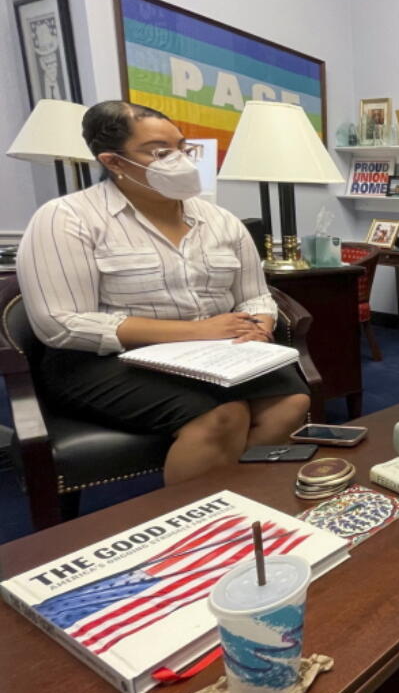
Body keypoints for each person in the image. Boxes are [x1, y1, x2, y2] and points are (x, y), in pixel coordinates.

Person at [15, 101, 310, 485]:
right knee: (223, 415)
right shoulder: (66, 218)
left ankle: (244, 497)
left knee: (291, 402)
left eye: (182, 149)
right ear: (115, 162)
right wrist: (198, 330)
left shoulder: (219, 220)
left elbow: (255, 295)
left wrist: (257, 325)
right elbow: (61, 324)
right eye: (160, 152)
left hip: (215, 352)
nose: (181, 161)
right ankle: (197, 523)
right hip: (105, 362)